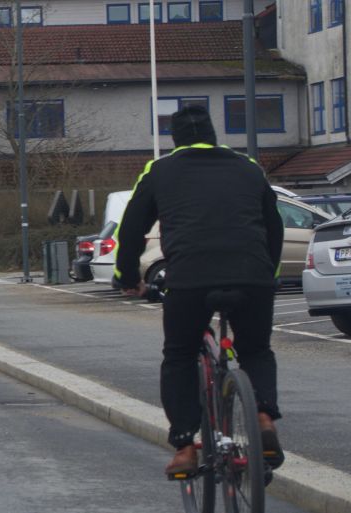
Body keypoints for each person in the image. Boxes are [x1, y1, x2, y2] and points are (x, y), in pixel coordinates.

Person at [113, 105, 285, 478]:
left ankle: (185, 446)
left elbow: (130, 230)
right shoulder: (248, 167)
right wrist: (265, 276)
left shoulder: (159, 170)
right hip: (251, 276)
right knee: (255, 349)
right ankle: (264, 417)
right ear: (213, 134)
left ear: (175, 138)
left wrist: (128, 276)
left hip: (190, 279)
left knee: (178, 355)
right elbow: (275, 227)